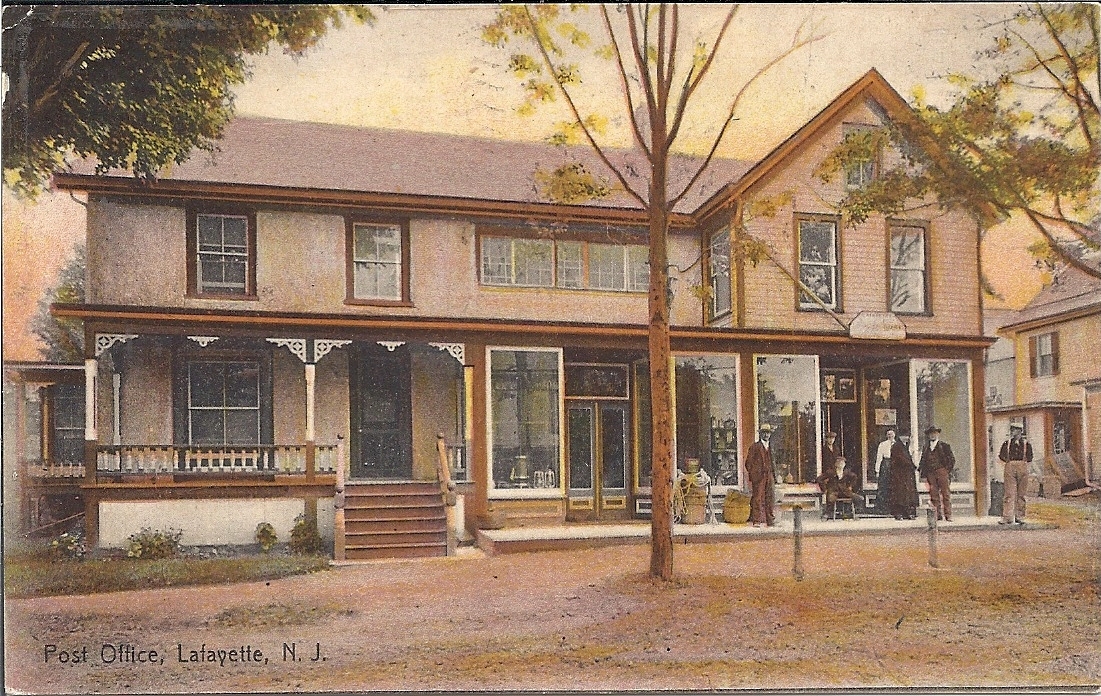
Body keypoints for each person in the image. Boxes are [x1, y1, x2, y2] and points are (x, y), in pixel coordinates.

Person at [998, 424, 1034, 525]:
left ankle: (1020, 516)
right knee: (1009, 493)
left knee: (1021, 493)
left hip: (1023, 467)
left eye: (1014, 429)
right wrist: (1009, 462)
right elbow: (1001, 456)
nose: (1012, 431)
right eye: (1012, 429)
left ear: (1020, 431)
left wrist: (1023, 465)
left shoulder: (1026, 444)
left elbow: (1030, 457)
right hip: (1010, 466)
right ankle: (1007, 517)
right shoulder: (1007, 443)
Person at [919, 426, 955, 522]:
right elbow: (923, 460)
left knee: (945, 494)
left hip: (942, 472)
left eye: (934, 433)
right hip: (931, 473)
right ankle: (937, 515)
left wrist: (946, 470)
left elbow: (951, 459)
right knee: (934, 494)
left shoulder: (944, 446)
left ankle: (948, 515)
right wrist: (922, 472)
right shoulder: (926, 447)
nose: (932, 435)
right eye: (931, 434)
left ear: (938, 434)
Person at [745, 424, 777, 527]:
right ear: (761, 434)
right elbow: (748, 463)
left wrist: (775, 475)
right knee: (757, 498)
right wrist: (754, 473)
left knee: (770, 498)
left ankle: (770, 520)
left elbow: (773, 462)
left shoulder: (771, 447)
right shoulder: (755, 447)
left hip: (770, 475)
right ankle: (757, 521)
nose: (766, 435)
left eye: (768, 433)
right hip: (759, 476)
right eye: (764, 433)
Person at [888, 431, 919, 520]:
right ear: (900, 437)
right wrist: (912, 465)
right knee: (899, 494)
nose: (907, 438)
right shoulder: (896, 446)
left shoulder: (905, 446)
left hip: (906, 474)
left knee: (907, 494)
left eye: (907, 436)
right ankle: (898, 513)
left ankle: (907, 513)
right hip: (899, 474)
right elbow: (900, 459)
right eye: (904, 436)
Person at [873, 428, 896, 513]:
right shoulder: (882, 444)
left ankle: (893, 507)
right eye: (889, 434)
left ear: (894, 435)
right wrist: (877, 470)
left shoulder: (897, 444)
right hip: (885, 464)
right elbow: (879, 457)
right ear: (886, 435)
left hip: (894, 465)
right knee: (883, 486)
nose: (890, 436)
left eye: (892, 434)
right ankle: (882, 508)